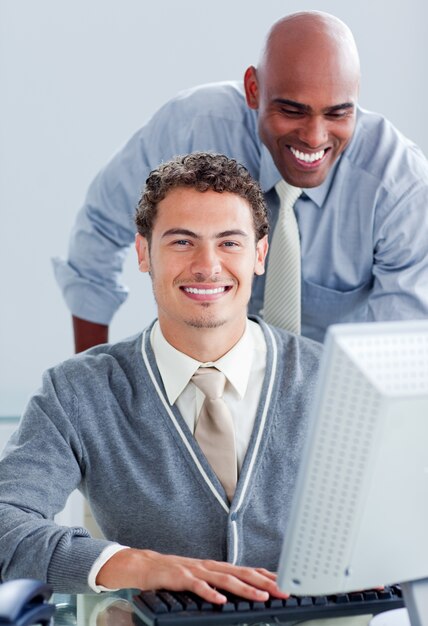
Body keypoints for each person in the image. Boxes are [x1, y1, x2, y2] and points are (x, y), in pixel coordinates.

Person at [0, 153, 322, 596]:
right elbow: (5, 521)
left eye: (229, 242)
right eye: (182, 242)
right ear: (143, 253)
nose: (207, 265)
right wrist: (129, 564)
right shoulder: (77, 392)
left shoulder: (332, 379)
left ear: (260, 255)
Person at [53, 11, 428, 352]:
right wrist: (91, 388)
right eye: (291, 110)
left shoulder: (398, 186)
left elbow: (398, 350)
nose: (314, 137)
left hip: (330, 399)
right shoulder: (191, 129)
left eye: (337, 113)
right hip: (196, 377)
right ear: (253, 90)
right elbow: (100, 232)